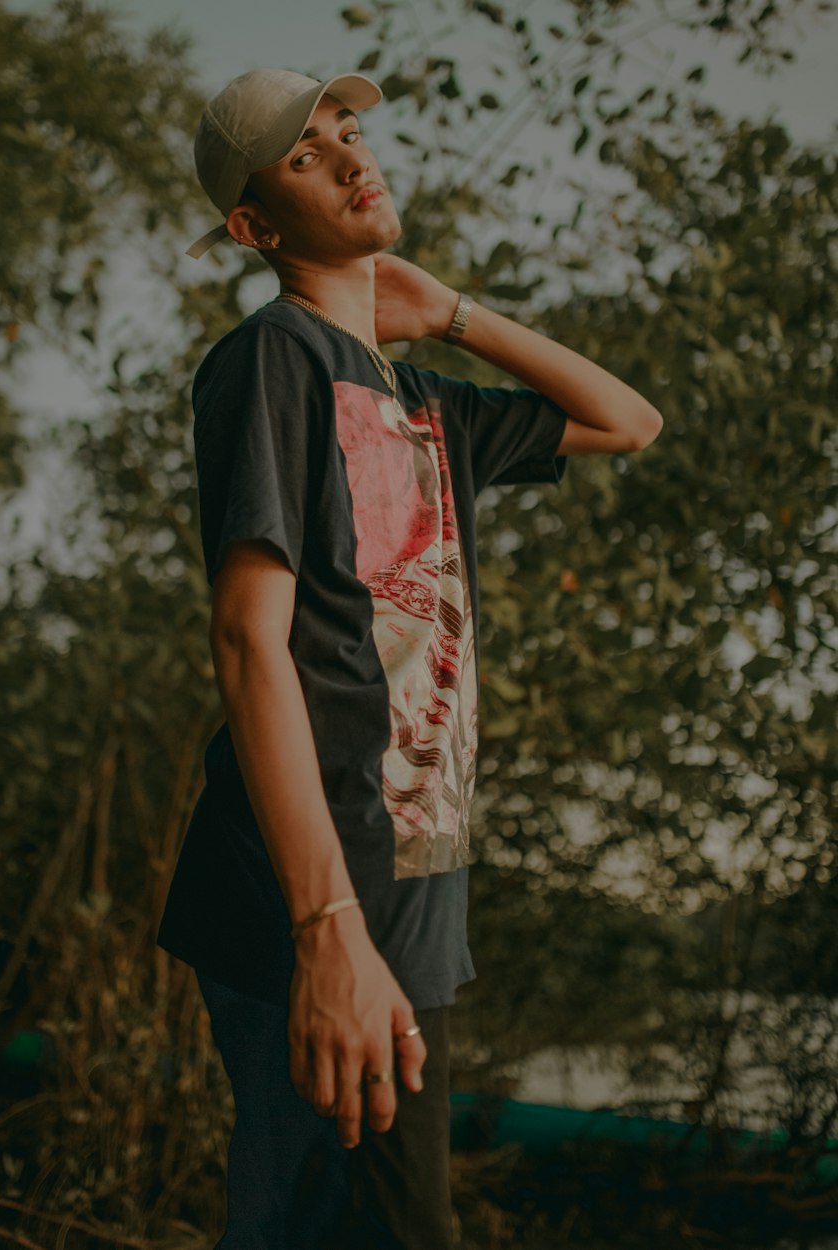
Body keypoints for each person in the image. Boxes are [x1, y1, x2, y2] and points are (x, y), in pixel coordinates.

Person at [156, 68, 663, 1249]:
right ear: (253, 226)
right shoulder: (271, 359)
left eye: (348, 133)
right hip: (314, 898)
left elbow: (629, 420)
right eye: (303, 157)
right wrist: (325, 926)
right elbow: (247, 639)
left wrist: (449, 314)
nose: (346, 157)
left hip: (409, 893)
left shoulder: (426, 400)